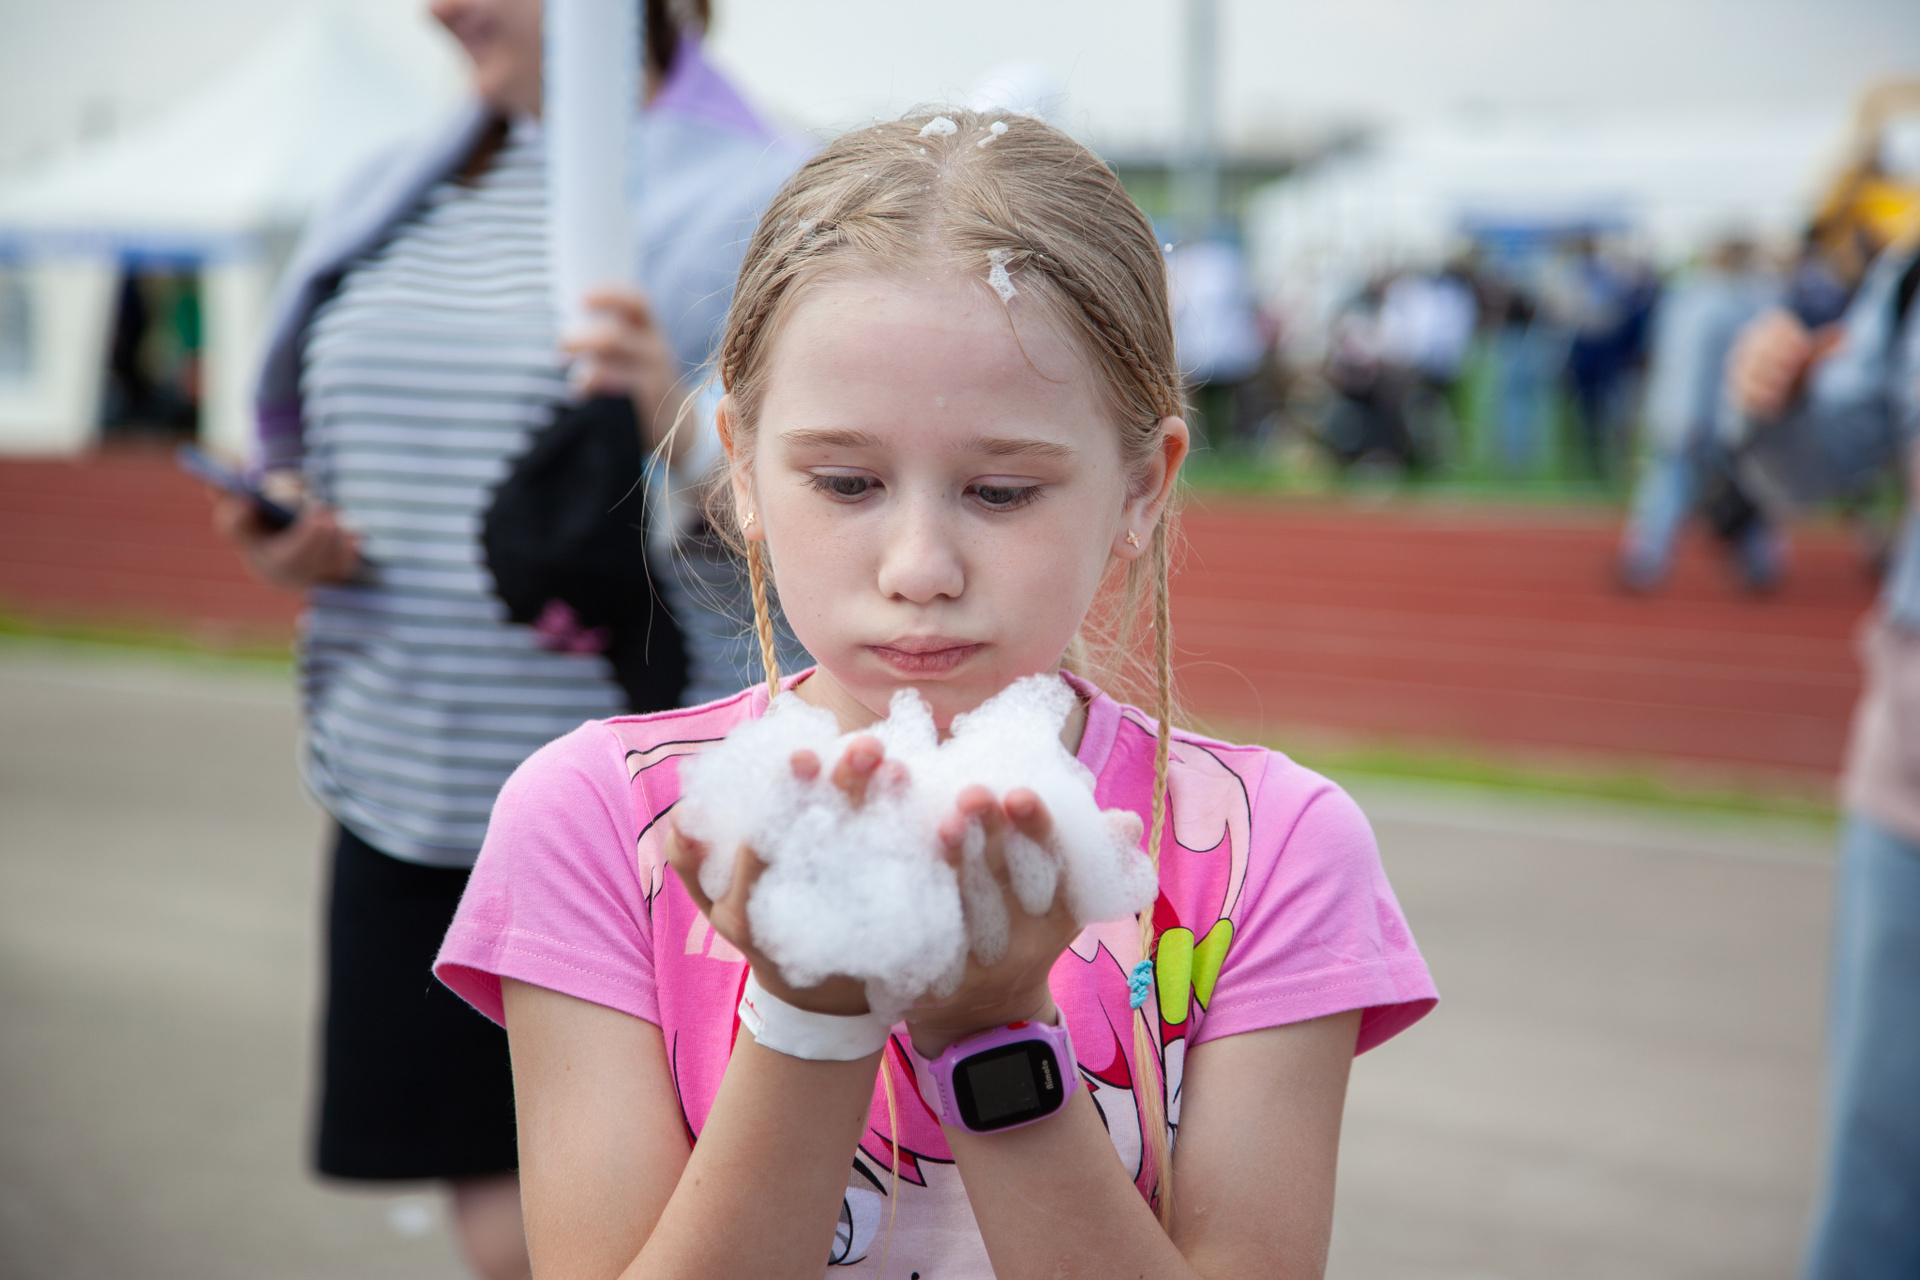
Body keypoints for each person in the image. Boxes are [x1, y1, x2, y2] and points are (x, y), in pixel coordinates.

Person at [434, 108, 1437, 1278]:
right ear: (741, 464)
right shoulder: (598, 821)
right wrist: (809, 1015)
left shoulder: (1270, 849)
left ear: (1140, 487)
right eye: (846, 480)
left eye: (1001, 491)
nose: (920, 568)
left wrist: (992, 1032)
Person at [208, 2, 799, 1275]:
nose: (439, 8)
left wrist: (676, 417)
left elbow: (838, 503)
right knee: (503, 1230)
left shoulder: (770, 197)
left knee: (659, 1228)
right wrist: (291, 522)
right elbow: (318, 428)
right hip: (405, 780)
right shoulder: (394, 186)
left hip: (640, 817)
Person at [1727, 236, 1920, 1280]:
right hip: (1908, 790)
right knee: (1882, 1183)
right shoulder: (1911, 276)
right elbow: (1813, 465)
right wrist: (1775, 396)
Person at [1617, 236, 1782, 592]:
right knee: (1724, 487)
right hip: (1707, 416)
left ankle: (1650, 558)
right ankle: (1757, 562)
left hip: (1705, 417)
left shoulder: (1706, 303)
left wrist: (1683, 416)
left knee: (1706, 488)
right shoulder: (1725, 300)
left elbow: (1695, 368)